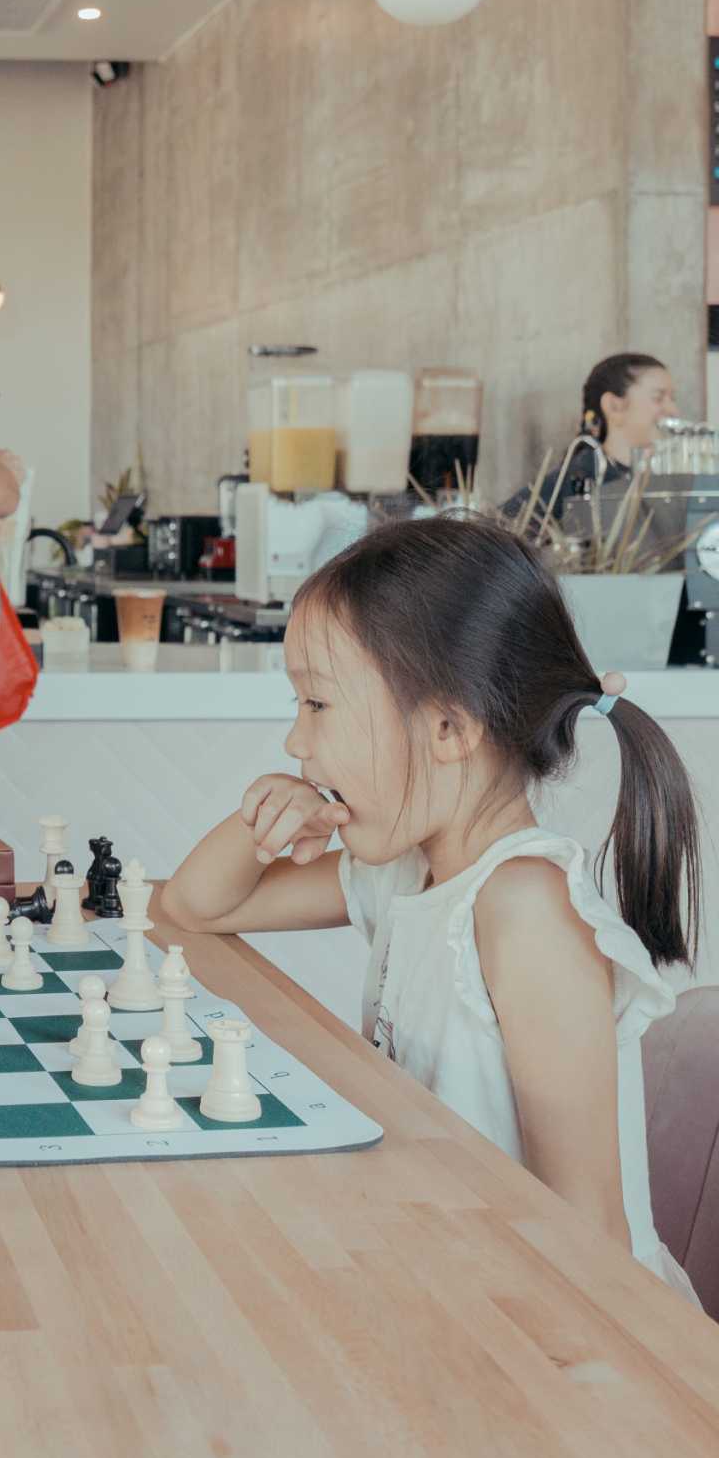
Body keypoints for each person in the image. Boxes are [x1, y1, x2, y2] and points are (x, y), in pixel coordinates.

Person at [159, 515, 698, 1299]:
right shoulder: (407, 871)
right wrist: (264, 824)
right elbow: (194, 908)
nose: (294, 742)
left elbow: (590, 1239)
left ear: (448, 728)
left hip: (560, 1321)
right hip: (449, 1276)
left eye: (317, 705)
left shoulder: (525, 910)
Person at [505, 352, 677, 519]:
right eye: (658, 398)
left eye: (672, 399)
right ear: (614, 406)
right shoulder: (576, 478)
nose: (673, 411)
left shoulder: (668, 480)